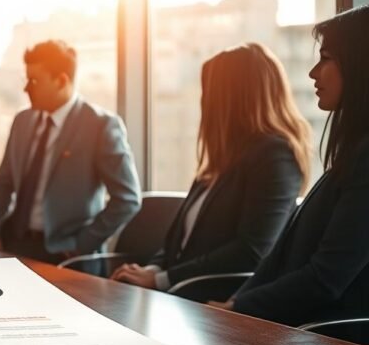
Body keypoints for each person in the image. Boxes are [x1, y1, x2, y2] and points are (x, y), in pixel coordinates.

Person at [110, 44, 312, 291]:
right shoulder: (222, 159)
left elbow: (251, 252)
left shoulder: (275, 157)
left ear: (231, 98)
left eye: (209, 92)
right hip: (181, 296)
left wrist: (161, 280)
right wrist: (150, 271)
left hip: (217, 302)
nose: (204, 102)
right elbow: (178, 246)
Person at [223, 5, 369, 326]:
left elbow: (325, 280)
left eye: (326, 58)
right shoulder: (352, 152)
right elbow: (279, 258)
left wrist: (237, 310)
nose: (313, 73)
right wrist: (234, 303)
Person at [0, 40, 141, 263]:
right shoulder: (22, 121)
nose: (26, 88)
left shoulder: (100, 126)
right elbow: (4, 182)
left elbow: (127, 199)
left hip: (65, 255)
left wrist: (82, 244)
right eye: (26, 79)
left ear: (61, 81)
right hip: (15, 246)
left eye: (35, 80)